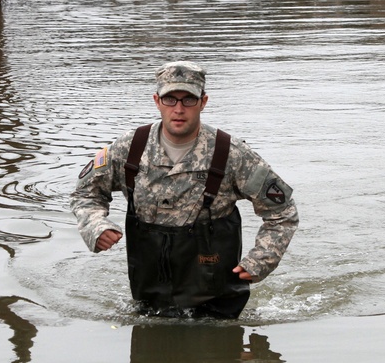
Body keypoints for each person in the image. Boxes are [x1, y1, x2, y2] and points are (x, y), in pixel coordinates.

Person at [70, 61, 298, 319]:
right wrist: (96, 226)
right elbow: (85, 193)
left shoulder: (232, 154)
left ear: (203, 102)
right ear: (157, 101)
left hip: (219, 305)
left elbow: (283, 212)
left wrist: (261, 261)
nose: (179, 109)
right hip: (148, 299)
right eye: (170, 99)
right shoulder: (128, 149)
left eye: (188, 99)